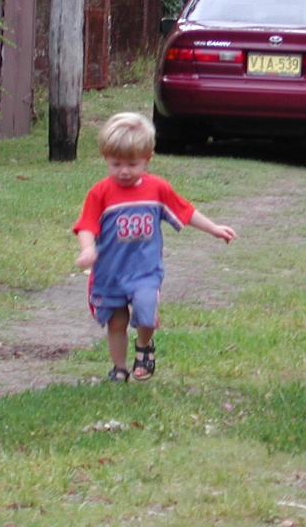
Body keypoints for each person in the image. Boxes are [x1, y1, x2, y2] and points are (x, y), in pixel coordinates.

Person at [73, 112, 236, 382]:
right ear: (105, 159)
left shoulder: (157, 189)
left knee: (146, 313)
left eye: (132, 164)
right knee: (116, 322)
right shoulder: (100, 193)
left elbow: (185, 211)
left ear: (147, 159)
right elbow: (87, 225)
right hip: (110, 273)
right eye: (115, 164)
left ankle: (144, 347)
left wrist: (214, 228)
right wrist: (87, 249)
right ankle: (119, 368)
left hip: (145, 271)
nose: (123, 171)